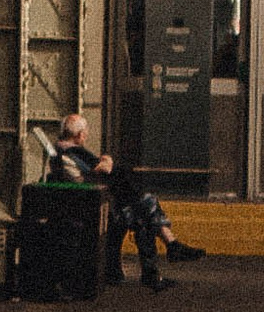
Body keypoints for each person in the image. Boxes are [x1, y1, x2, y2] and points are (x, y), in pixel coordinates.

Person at [47, 111, 175, 292]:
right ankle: (157, 263)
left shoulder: (61, 150)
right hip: (91, 204)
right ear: (79, 135)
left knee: (142, 210)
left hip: (83, 201)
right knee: (143, 215)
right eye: (85, 133)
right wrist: (107, 161)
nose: (86, 135)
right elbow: (104, 168)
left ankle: (161, 255)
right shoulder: (73, 150)